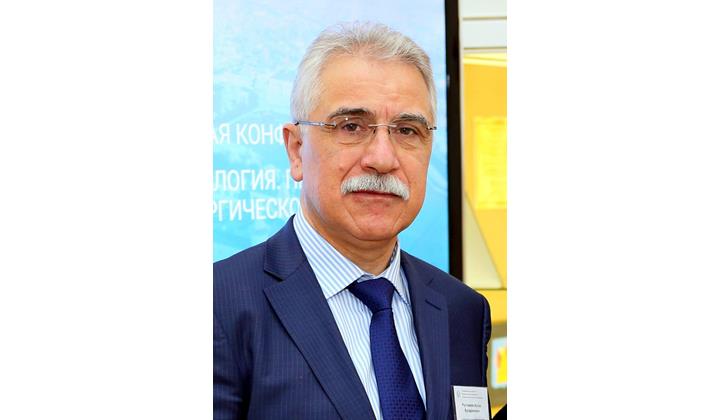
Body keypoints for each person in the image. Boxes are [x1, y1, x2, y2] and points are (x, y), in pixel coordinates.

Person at [214, 22, 492, 420]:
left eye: (407, 130)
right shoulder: (218, 306)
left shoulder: (462, 311)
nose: (382, 158)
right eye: (351, 127)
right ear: (296, 150)